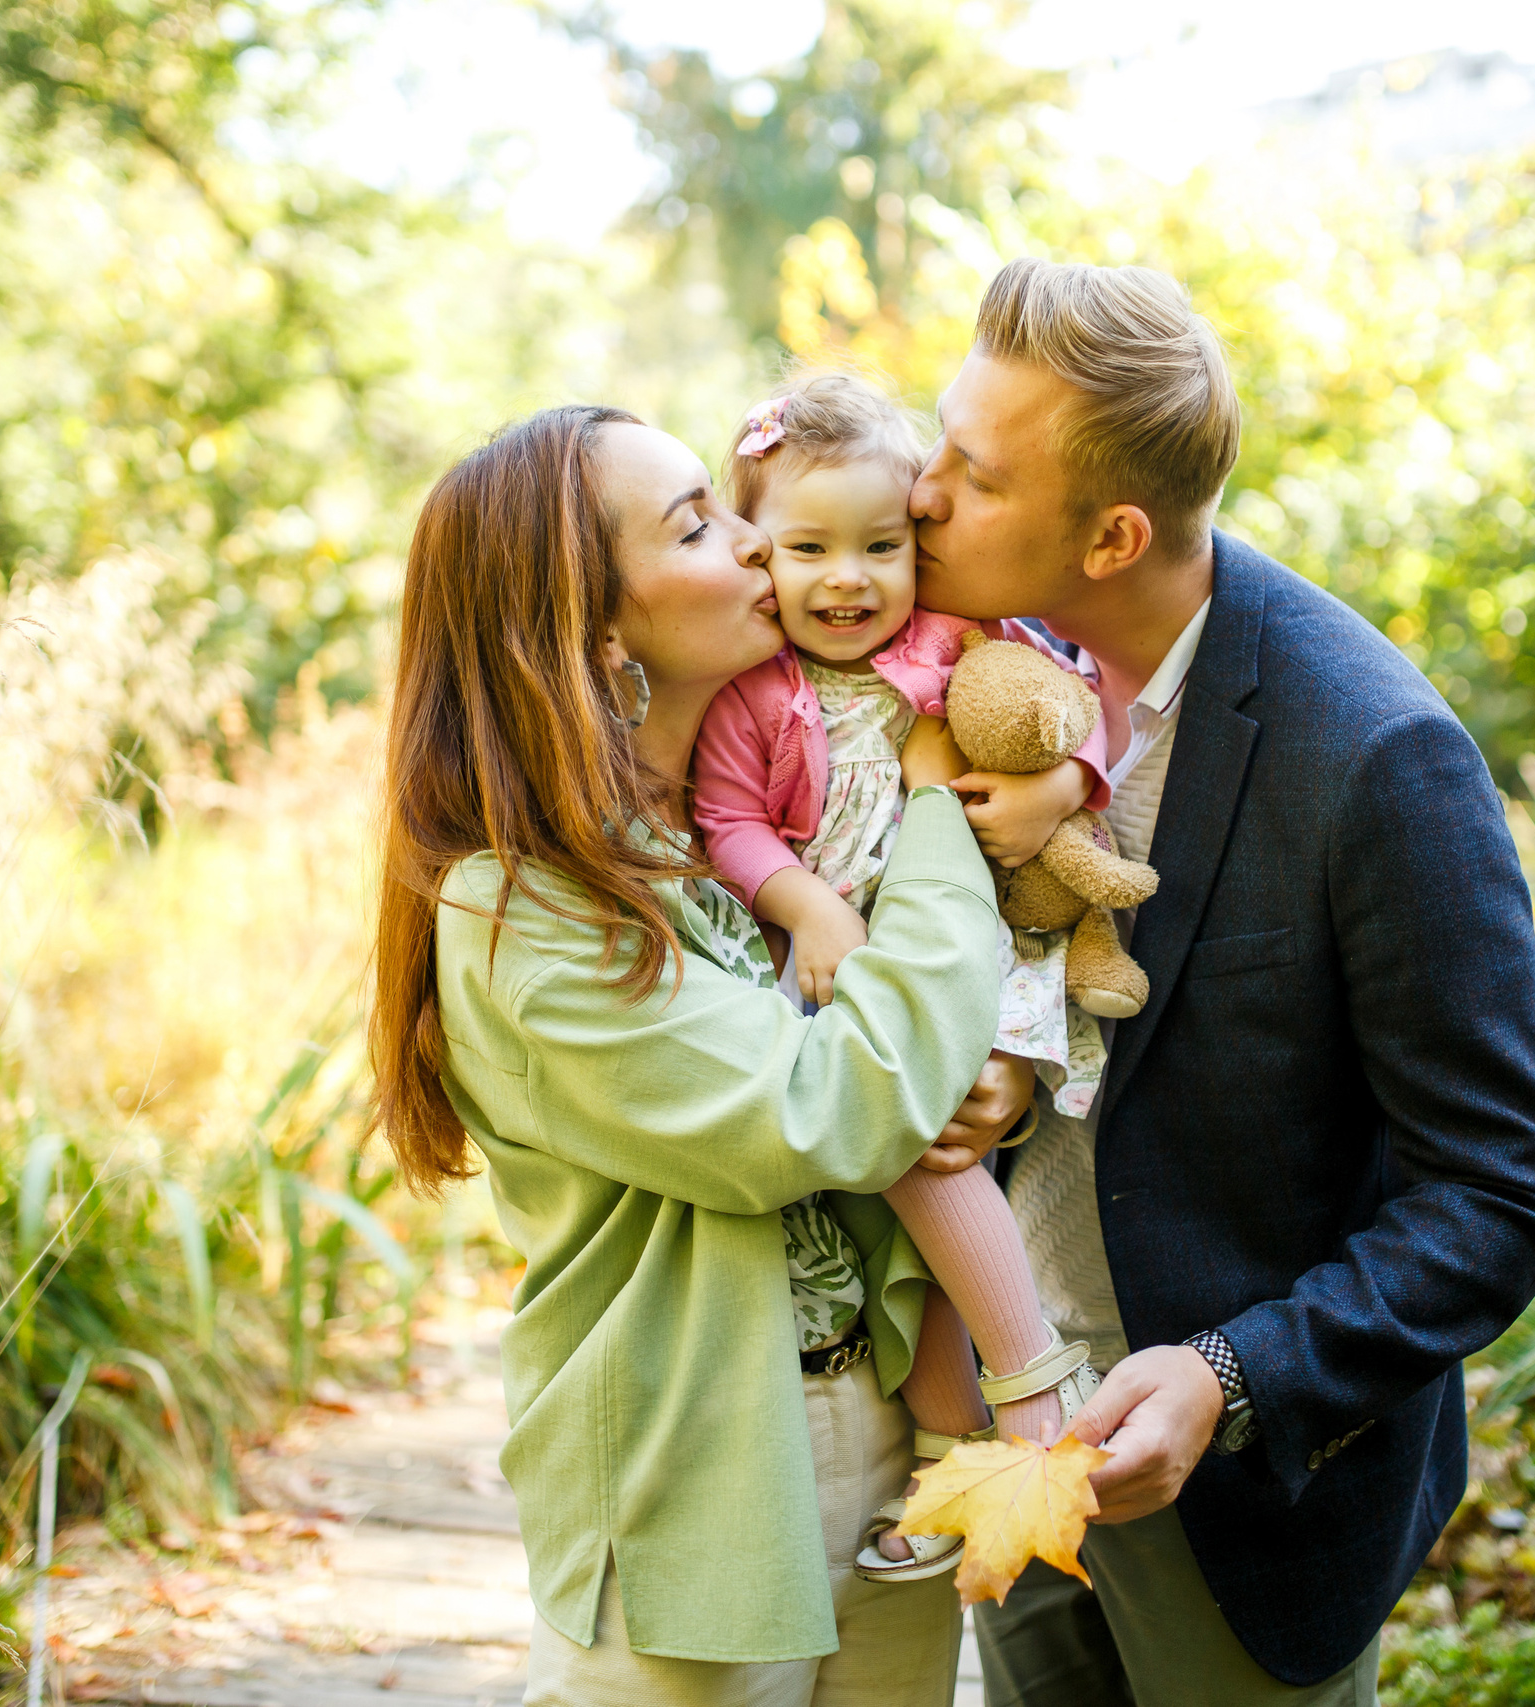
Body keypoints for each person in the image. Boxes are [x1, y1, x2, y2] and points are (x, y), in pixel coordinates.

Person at [912, 260, 1535, 1704]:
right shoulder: (970, 667)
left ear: (1113, 536)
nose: (921, 494)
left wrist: (1229, 1375)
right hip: (1011, 1429)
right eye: (936, 444)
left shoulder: (1377, 754)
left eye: (974, 475)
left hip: (1245, 1503)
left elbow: (1505, 1188)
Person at [369, 404, 1028, 1706]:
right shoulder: (523, 905)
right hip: (693, 1469)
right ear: (599, 633)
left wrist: (985, 1071)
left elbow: (908, 1045)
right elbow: (830, 1108)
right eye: (695, 526)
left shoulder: (754, 817)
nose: (754, 543)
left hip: (887, 1427)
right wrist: (940, 803)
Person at [691, 371, 1111, 1584]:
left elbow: (1072, 706)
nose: (848, 579)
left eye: (881, 546)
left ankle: (1032, 1398)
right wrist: (807, 904)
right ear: (754, 549)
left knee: (924, 1154)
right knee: (895, 1210)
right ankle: (949, 1454)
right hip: (838, 961)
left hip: (965, 955)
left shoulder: (951, 644)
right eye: (807, 548)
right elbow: (728, 824)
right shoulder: (750, 689)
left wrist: (1062, 783)